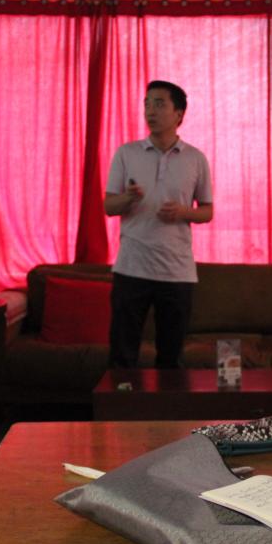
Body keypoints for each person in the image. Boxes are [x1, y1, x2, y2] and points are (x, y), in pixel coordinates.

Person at [104, 80, 213, 368]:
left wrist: (183, 212)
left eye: (159, 104)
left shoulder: (195, 158)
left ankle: (168, 400)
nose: (150, 111)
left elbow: (207, 211)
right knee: (122, 354)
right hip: (131, 268)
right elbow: (109, 207)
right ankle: (123, 399)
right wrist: (128, 198)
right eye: (147, 104)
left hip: (177, 272)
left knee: (171, 357)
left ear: (179, 114)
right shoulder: (126, 153)